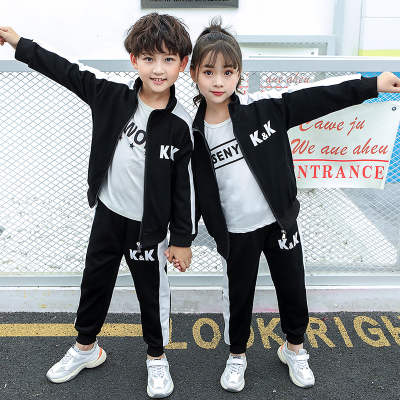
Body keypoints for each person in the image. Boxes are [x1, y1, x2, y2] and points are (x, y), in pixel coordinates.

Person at [181, 17, 400, 392]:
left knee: (293, 289)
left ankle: (294, 348)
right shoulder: (191, 132)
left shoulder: (265, 109)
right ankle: (237, 355)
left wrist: (372, 85)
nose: (218, 81)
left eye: (228, 71)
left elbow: (319, 95)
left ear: (239, 74)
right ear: (194, 75)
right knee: (238, 297)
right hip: (236, 233)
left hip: (279, 223)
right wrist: (182, 237)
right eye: (209, 71)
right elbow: (186, 190)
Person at [0, 12, 195, 399]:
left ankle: (157, 357)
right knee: (95, 283)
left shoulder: (181, 124)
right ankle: (86, 348)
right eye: (149, 58)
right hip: (108, 216)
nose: (158, 69)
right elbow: (66, 70)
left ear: (183, 64)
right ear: (134, 59)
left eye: (168, 59)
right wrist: (19, 43)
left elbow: (184, 189)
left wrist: (182, 239)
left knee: (152, 294)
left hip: (147, 229)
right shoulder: (111, 95)